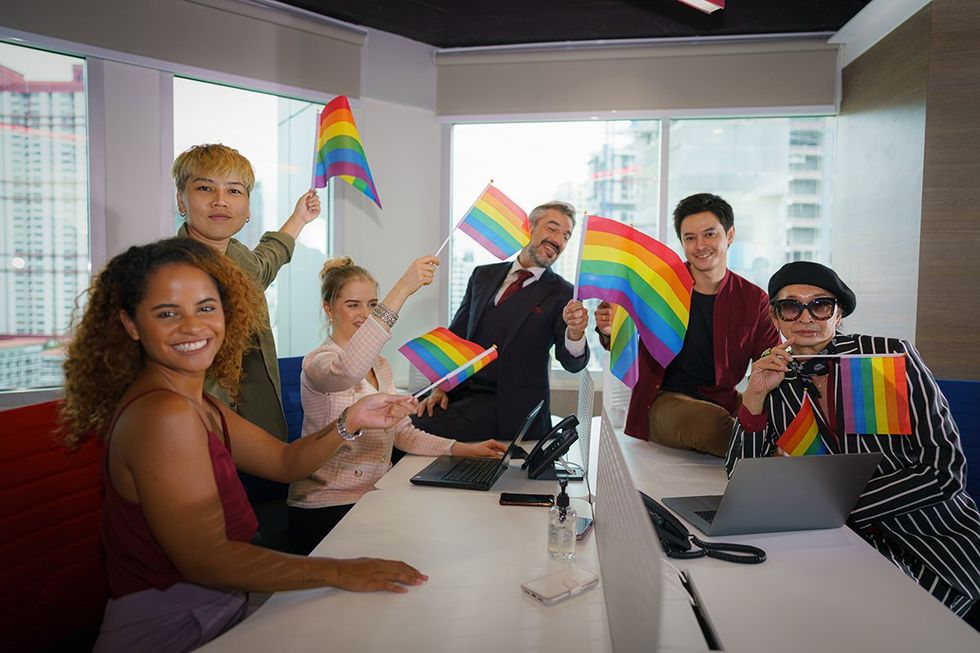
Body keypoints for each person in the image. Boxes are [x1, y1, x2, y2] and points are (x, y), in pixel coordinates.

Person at [60, 238, 428, 652]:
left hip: (221, 604)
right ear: (131, 324)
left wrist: (351, 419)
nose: (193, 326)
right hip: (176, 626)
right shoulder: (164, 415)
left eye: (206, 307)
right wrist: (338, 571)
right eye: (167, 313)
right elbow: (208, 561)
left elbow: (286, 462)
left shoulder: (198, 403)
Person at [728, 260, 980, 624]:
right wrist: (753, 398)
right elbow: (741, 480)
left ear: (838, 312)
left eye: (820, 305)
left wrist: (821, 501)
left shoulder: (889, 358)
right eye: (791, 306)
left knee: (901, 631)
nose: (806, 317)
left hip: (934, 543)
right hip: (840, 549)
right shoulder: (774, 377)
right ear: (776, 317)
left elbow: (945, 471)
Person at [288, 257, 507, 552]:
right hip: (327, 504)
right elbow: (348, 370)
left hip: (376, 494)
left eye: (373, 305)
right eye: (353, 305)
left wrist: (462, 449)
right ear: (328, 309)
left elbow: (402, 433)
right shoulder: (319, 362)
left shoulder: (381, 366)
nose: (365, 314)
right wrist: (404, 287)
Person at [595, 193, 779, 456]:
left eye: (709, 234)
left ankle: (768, 454)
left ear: (729, 235)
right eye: (689, 238)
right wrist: (609, 329)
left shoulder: (753, 298)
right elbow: (622, 336)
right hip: (663, 400)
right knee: (711, 423)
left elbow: (771, 359)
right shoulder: (660, 286)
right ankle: (763, 455)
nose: (700, 245)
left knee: (780, 417)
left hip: (725, 399)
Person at [173, 143, 321, 441]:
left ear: (249, 207)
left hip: (255, 424)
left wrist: (299, 218)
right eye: (204, 188)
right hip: (198, 429)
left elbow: (266, 263)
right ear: (181, 201)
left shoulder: (238, 259)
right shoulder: (169, 275)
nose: (220, 201)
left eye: (234, 191)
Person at [412, 201, 590, 441]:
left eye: (566, 236)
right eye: (552, 228)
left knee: (411, 427)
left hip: (509, 410)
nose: (559, 240)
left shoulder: (563, 293)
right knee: (399, 414)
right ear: (529, 228)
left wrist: (576, 332)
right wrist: (441, 386)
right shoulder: (482, 276)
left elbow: (572, 363)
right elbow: (457, 338)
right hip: (461, 394)